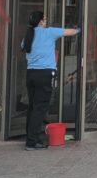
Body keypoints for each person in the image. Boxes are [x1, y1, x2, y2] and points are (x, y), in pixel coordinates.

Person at [21, 10, 79, 151]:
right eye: (45, 19)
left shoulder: (29, 35)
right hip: (45, 74)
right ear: (40, 21)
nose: (46, 21)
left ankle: (30, 137)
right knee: (40, 108)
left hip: (31, 74)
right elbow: (70, 32)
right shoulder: (49, 32)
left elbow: (23, 48)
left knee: (33, 107)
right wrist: (80, 28)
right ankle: (32, 142)